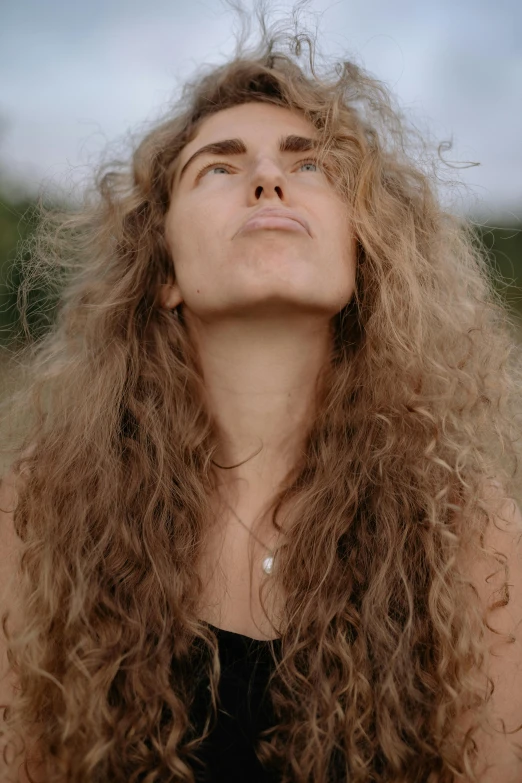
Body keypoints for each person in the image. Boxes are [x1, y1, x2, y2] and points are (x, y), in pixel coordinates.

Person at [1, 11, 522, 783]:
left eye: (310, 165)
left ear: (361, 251)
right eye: (218, 165)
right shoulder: (34, 516)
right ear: (165, 270)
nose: (268, 178)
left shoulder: (469, 535)